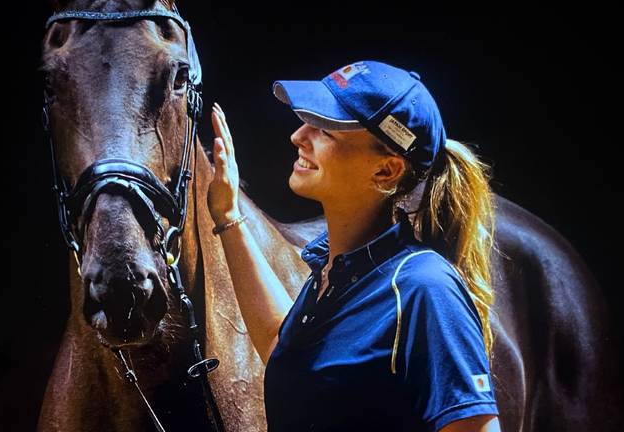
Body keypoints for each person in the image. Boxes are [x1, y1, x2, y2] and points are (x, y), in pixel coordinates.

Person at [207, 60, 500, 432]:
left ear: (386, 170)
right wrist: (228, 215)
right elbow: (285, 353)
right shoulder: (333, 275)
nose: (298, 136)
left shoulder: (424, 288)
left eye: (326, 130)